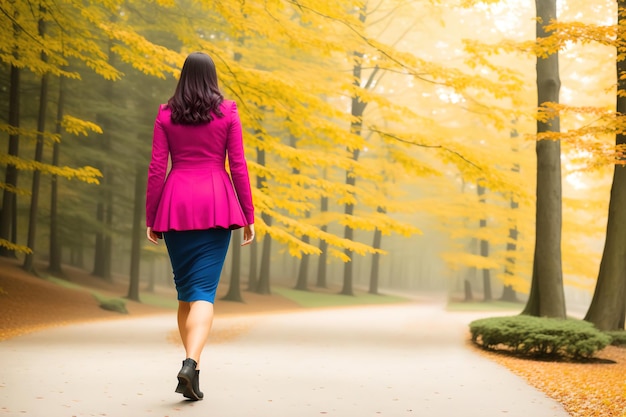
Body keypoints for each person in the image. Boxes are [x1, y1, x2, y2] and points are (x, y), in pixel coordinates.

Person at [145, 52, 255, 401]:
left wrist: (152, 216)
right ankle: (190, 363)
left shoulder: (166, 114)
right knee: (203, 293)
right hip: (216, 204)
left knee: (185, 294)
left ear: (183, 76)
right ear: (212, 77)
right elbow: (237, 165)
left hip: (176, 205)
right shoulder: (228, 112)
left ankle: (192, 368)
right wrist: (249, 216)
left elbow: (156, 168)